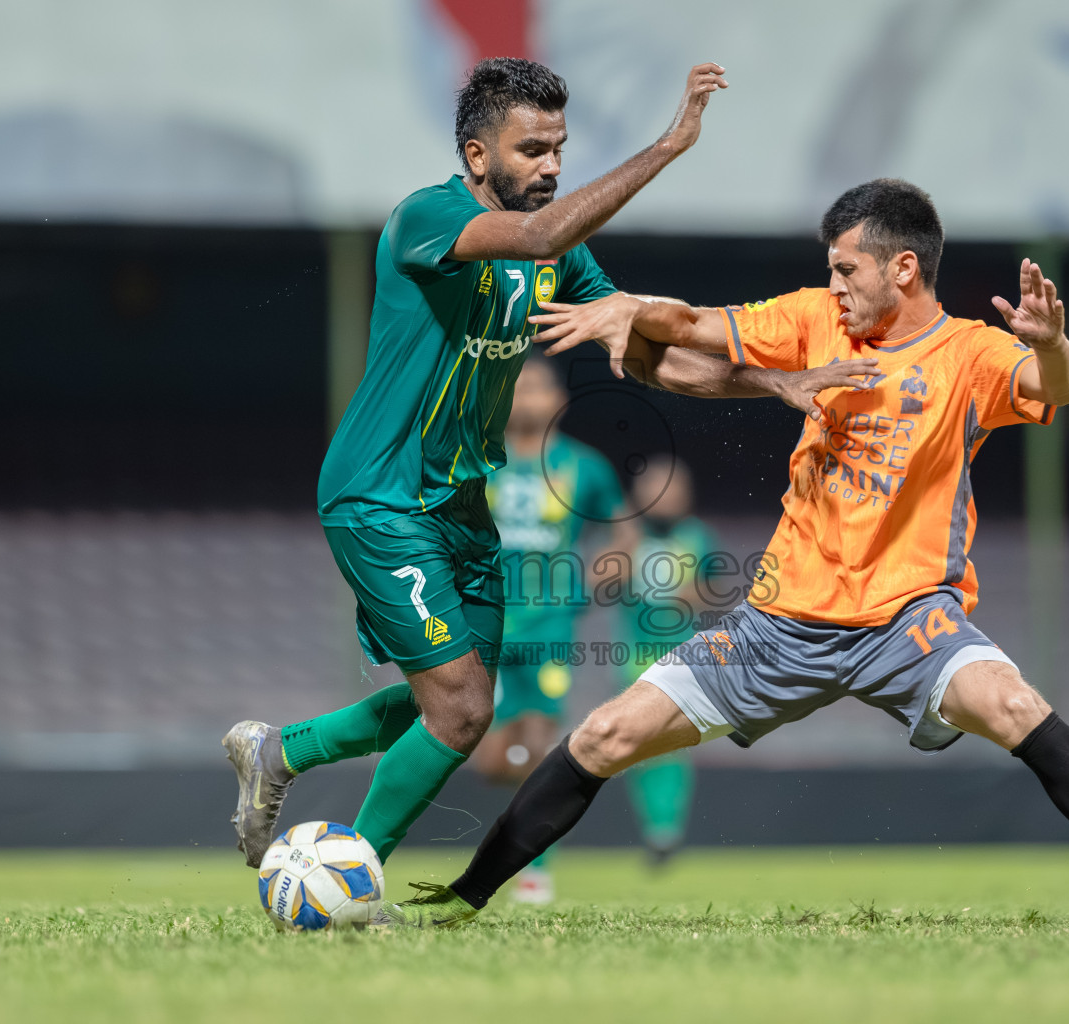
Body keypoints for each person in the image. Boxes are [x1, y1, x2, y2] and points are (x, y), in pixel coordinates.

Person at [378, 178, 1069, 929]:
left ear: (901, 270)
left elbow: (1061, 388)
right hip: (776, 625)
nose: (833, 286)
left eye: (845, 270)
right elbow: (702, 327)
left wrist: (1047, 341)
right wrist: (628, 307)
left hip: (908, 618)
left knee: (1013, 706)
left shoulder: (970, 354)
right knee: (604, 734)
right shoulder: (817, 321)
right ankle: (465, 897)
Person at [220, 56, 879, 869]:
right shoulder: (429, 217)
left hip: (461, 507)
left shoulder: (558, 263)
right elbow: (538, 232)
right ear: (476, 156)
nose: (553, 165)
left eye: (559, 147)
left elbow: (649, 357)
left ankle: (279, 752)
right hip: (379, 497)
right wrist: (670, 144)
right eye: (533, 150)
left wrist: (782, 384)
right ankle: (351, 873)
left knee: (462, 707)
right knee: (461, 710)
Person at [476, 357, 625, 904]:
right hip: (484, 624)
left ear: (557, 398)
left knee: (543, 741)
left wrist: (586, 590)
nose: (529, 397)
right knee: (493, 760)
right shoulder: (476, 461)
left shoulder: (584, 467)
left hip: (549, 626)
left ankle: (535, 869)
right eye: (518, 387)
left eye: (538, 386)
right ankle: (519, 785)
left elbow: (622, 533)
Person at [616, 456, 714, 865]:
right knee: (637, 745)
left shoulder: (698, 535)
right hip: (634, 655)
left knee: (669, 744)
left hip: (680, 655)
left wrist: (684, 592)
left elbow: (712, 592)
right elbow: (598, 584)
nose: (664, 496)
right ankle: (658, 826)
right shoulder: (625, 533)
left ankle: (664, 825)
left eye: (672, 488)